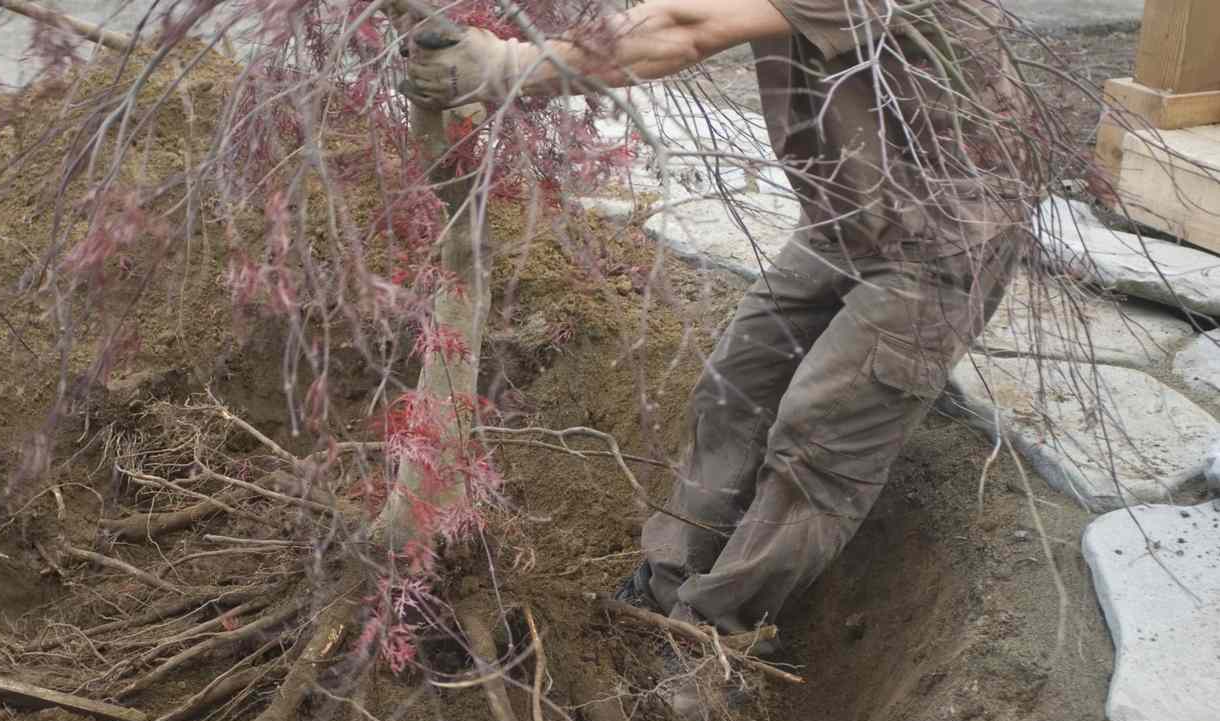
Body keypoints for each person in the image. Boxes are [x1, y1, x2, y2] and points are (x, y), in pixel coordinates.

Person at [402, 1, 1031, 648]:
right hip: (846, 221)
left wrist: (510, 64)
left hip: (939, 241)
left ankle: (711, 639)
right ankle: (661, 589)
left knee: (817, 440)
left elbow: (686, 26)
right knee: (734, 388)